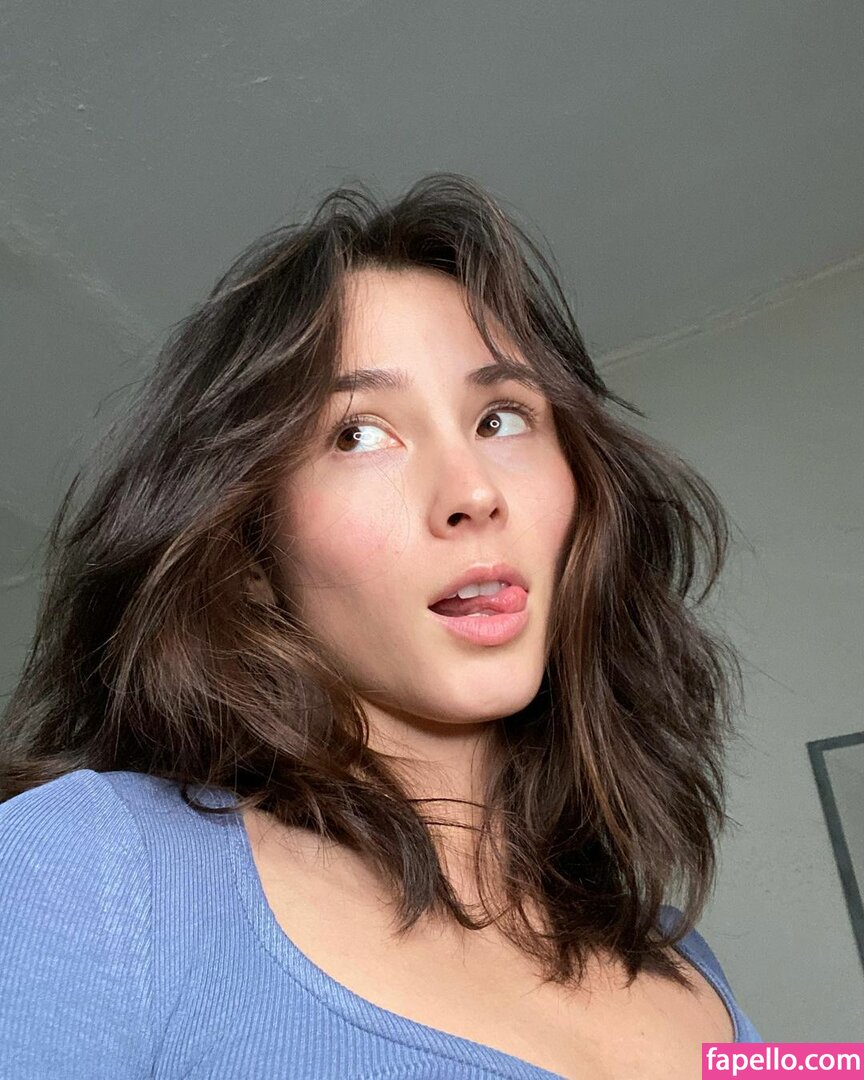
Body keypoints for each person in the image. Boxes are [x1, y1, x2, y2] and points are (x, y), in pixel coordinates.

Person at [0, 173, 762, 1078]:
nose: (473, 491)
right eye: (359, 434)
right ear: (248, 544)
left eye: (502, 417)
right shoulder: (90, 864)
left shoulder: (682, 956)